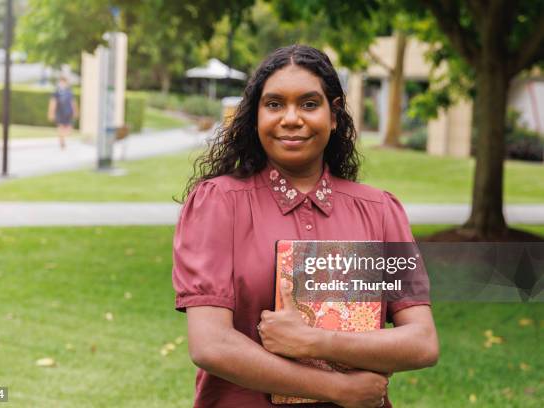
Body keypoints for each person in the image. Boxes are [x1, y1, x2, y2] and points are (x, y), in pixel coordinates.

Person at [172, 45, 438, 408]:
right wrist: (338, 389)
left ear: (334, 115)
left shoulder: (379, 212)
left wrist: (313, 340)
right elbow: (210, 345)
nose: (291, 118)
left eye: (310, 104)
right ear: (255, 117)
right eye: (275, 104)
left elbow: (421, 342)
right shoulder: (218, 204)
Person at [47, 76, 78, 149]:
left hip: (68, 113)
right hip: (60, 112)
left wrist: (75, 112)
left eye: (64, 82)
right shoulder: (56, 92)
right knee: (60, 127)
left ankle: (63, 137)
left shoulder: (69, 92)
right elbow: (53, 103)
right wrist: (51, 113)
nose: (62, 84)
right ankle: (62, 142)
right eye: (61, 82)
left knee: (69, 129)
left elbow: (73, 102)